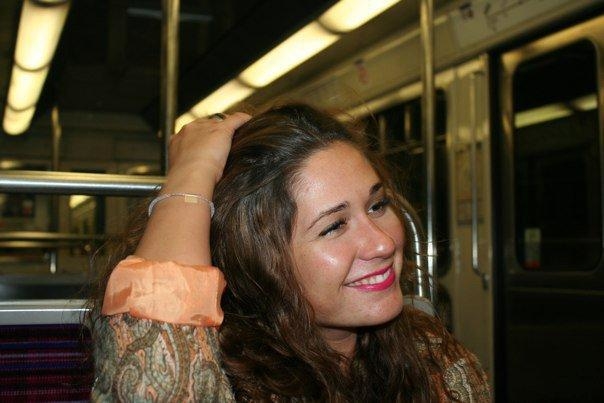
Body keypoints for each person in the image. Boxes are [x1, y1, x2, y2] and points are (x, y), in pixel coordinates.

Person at [89, 104, 490, 402]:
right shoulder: (223, 379)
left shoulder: (431, 355)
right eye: (334, 226)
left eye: (377, 205)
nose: (383, 243)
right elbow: (158, 386)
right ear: (257, 262)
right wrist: (192, 174)